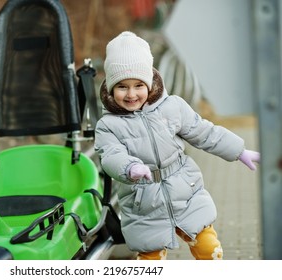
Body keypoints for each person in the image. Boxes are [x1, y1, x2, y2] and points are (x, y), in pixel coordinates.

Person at [94, 31, 260, 260]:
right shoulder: (108, 125)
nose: (131, 94)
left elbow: (204, 132)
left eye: (138, 85)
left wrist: (238, 150)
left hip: (186, 194)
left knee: (208, 249)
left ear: (150, 84)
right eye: (122, 86)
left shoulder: (173, 108)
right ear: (111, 89)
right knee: (149, 260)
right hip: (144, 203)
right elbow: (110, 154)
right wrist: (130, 167)